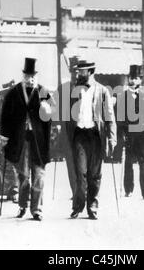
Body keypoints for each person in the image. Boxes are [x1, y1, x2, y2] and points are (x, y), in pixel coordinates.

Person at [0, 58, 54, 221]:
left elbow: (54, 114)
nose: (31, 79)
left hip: (38, 141)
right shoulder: (13, 93)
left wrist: (48, 111)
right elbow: (5, 117)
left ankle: (36, 209)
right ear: (23, 76)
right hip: (20, 140)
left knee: (39, 175)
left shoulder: (44, 92)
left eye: (33, 76)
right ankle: (23, 205)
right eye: (28, 76)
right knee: (23, 175)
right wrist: (4, 136)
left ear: (37, 76)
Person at [69, 60, 117, 220]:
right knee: (80, 172)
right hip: (80, 136)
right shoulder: (74, 90)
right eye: (77, 71)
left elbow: (110, 116)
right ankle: (78, 206)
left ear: (90, 72)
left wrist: (112, 138)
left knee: (94, 175)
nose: (78, 74)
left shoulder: (103, 91)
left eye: (81, 71)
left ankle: (92, 207)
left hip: (96, 136)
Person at [118, 65, 144, 199]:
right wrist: (122, 134)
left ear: (140, 80)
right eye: (131, 78)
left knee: (143, 161)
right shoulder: (122, 97)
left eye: (136, 78)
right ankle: (128, 189)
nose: (133, 81)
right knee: (128, 162)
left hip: (142, 135)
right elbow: (120, 118)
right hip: (129, 134)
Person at [54, 56, 80, 199]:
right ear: (70, 72)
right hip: (67, 132)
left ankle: (82, 189)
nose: (76, 75)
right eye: (73, 72)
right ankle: (76, 191)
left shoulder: (87, 89)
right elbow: (56, 109)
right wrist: (57, 125)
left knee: (83, 163)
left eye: (78, 72)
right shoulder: (62, 89)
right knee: (70, 162)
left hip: (83, 131)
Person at [0, 80, 20, 202]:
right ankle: (12, 189)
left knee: (18, 163)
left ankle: (19, 189)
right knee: (6, 164)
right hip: (4, 136)